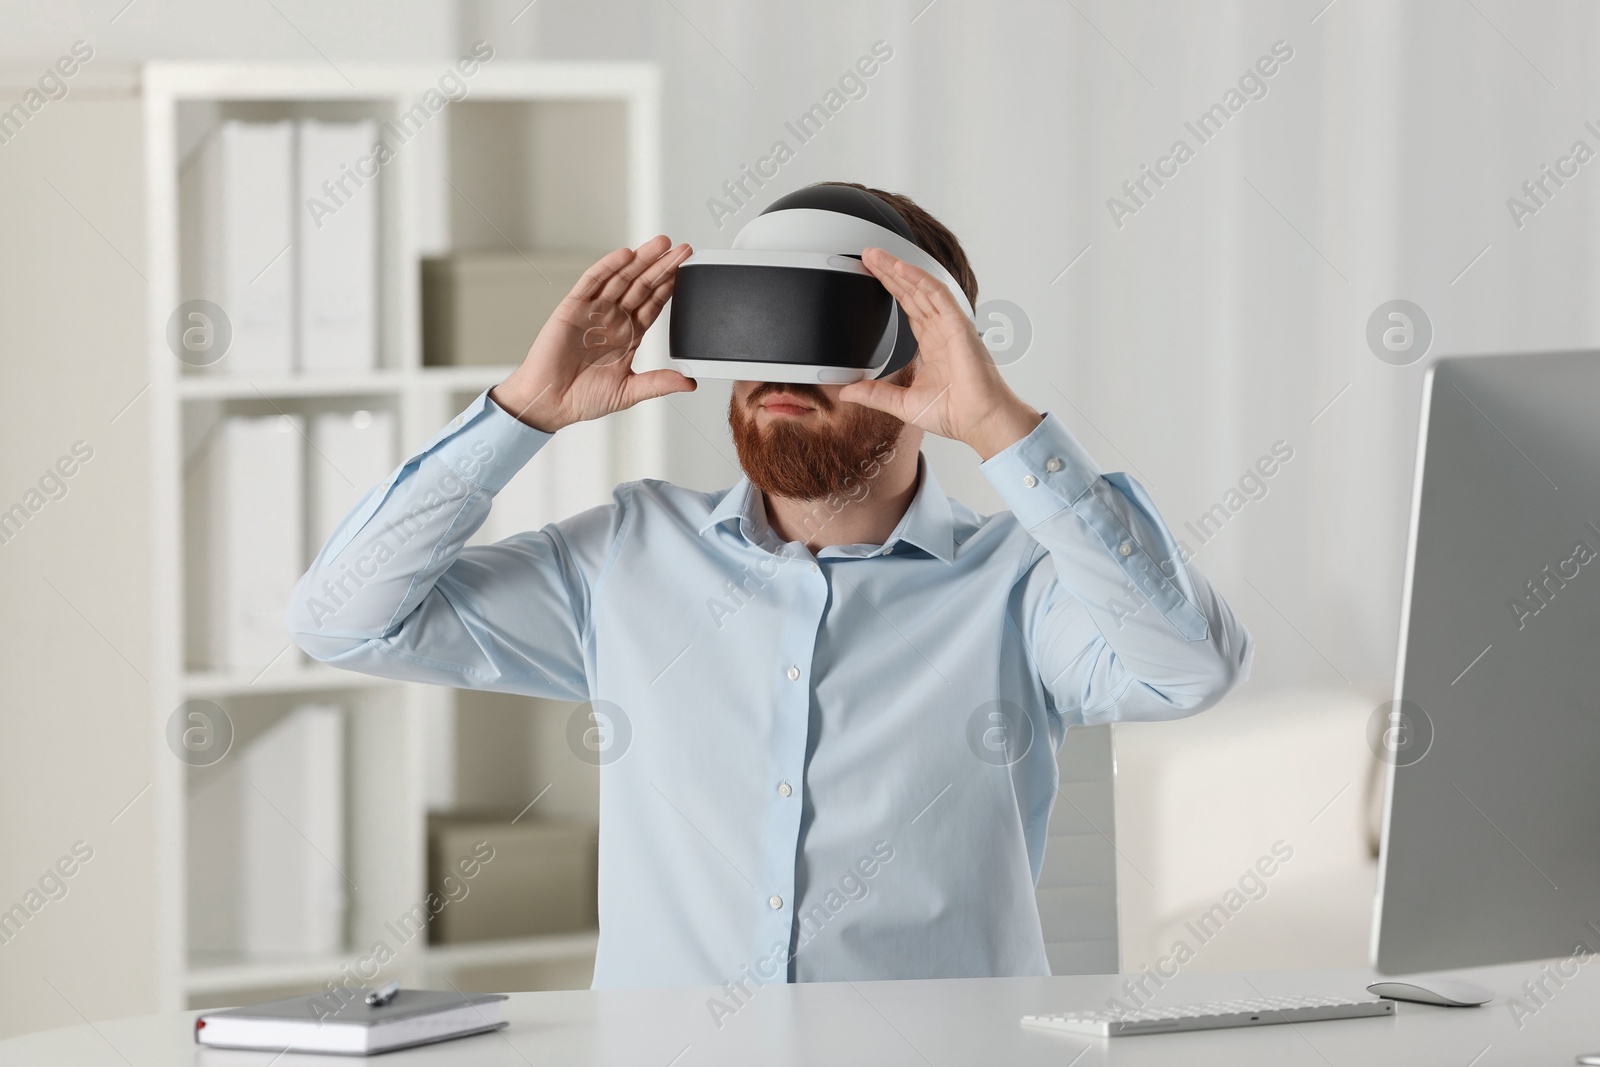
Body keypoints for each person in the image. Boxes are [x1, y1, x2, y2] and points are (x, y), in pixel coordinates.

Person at [288, 182, 1251, 992]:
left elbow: (1190, 669)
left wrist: (1001, 425)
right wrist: (521, 414)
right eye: (760, 333)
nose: (780, 373)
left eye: (820, 331)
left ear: (924, 349)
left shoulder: (1020, 587)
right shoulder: (629, 556)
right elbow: (344, 622)